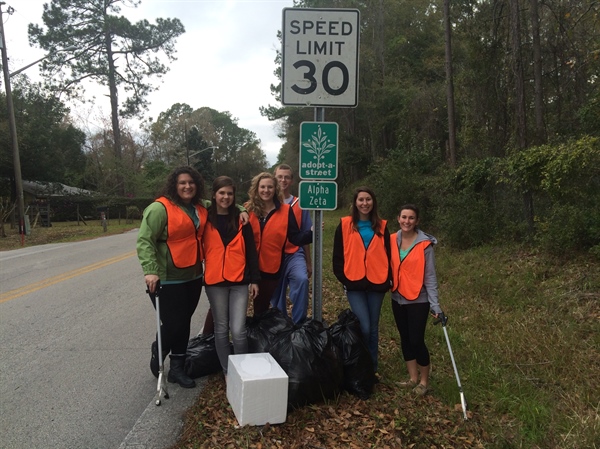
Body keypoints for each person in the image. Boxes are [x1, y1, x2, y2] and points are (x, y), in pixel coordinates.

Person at [136, 166, 206, 389]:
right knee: (175, 324)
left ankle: (176, 368)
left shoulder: (200, 207)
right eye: (182, 183)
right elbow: (144, 240)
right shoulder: (159, 209)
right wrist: (150, 270)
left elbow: (225, 204)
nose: (187, 186)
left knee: (183, 322)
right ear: (174, 185)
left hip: (194, 275)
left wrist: (242, 208)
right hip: (167, 278)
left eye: (191, 182)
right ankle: (161, 347)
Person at [202, 176, 260, 377]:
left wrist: (255, 279)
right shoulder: (205, 218)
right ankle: (229, 373)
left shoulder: (242, 219)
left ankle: (241, 373)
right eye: (221, 193)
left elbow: (251, 251)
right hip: (214, 282)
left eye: (229, 193)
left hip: (239, 281)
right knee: (220, 328)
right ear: (214, 195)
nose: (225, 197)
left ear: (234, 196)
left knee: (238, 329)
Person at [332, 186, 391, 375]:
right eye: (361, 200)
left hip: (377, 283)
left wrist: (388, 279)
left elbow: (389, 255)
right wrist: (345, 279)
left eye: (368, 199)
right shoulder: (344, 225)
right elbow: (338, 256)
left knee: (373, 329)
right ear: (355, 203)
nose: (364, 203)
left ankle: (371, 368)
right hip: (354, 283)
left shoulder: (382, 226)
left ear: (373, 202)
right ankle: (360, 364)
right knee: (363, 327)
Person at [389, 204, 443, 396]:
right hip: (397, 297)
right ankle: (412, 378)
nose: (407, 221)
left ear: (417, 221)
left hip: (418, 300)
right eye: (404, 217)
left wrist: (435, 304)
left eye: (411, 218)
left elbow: (430, 277)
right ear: (398, 218)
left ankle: (424, 381)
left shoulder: (424, 245)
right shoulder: (391, 240)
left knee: (416, 339)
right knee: (405, 338)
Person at [245, 172, 313, 316]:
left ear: (275, 189)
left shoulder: (286, 211)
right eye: (262, 187)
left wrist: (312, 233)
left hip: (271, 268)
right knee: (237, 307)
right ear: (256, 189)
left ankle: (266, 333)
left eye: (270, 187)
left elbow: (295, 237)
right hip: (248, 267)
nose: (266, 190)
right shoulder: (247, 209)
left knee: (262, 307)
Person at [271, 164, 313, 324]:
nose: (283, 180)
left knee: (301, 280)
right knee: (276, 292)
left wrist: (308, 262)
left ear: (292, 180)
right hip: (274, 254)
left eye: (286, 177)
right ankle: (281, 324)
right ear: (275, 178)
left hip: (295, 253)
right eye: (280, 176)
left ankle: (298, 323)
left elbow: (305, 235)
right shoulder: (267, 201)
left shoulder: (299, 203)